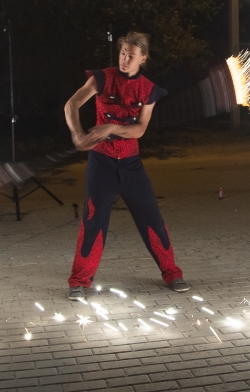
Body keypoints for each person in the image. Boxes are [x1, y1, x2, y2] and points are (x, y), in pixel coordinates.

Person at [64, 31, 188, 300]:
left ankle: (172, 273)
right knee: (93, 219)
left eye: (131, 56)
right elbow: (71, 104)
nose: (124, 59)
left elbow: (140, 129)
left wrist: (111, 127)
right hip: (101, 163)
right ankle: (79, 281)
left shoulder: (149, 90)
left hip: (131, 165)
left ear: (143, 58)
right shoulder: (101, 78)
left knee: (152, 218)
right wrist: (77, 133)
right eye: (122, 53)